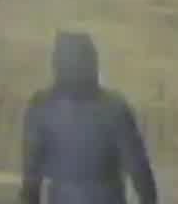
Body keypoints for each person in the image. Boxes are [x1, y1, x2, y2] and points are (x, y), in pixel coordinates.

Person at [20, 31, 158, 204]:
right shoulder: (114, 108)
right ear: (93, 65)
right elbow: (138, 169)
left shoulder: (42, 107)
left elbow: (31, 178)